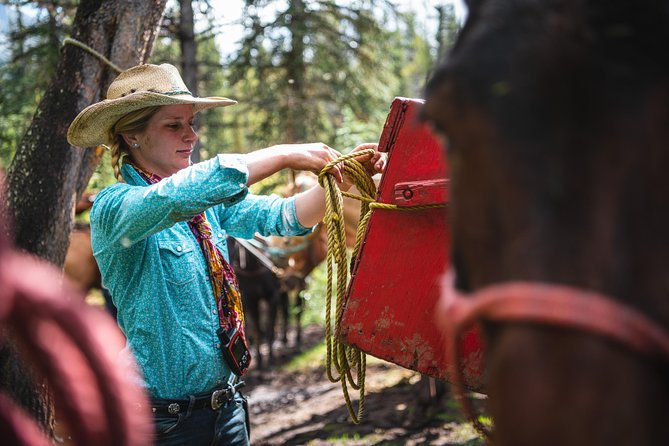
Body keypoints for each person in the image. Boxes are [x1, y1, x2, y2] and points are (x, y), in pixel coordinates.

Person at [66, 63, 385, 446]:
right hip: (159, 423)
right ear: (132, 135)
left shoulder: (207, 206)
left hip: (228, 410)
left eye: (192, 123)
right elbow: (174, 197)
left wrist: (340, 179)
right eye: (174, 126)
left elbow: (283, 216)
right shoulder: (115, 207)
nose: (191, 136)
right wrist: (283, 154)